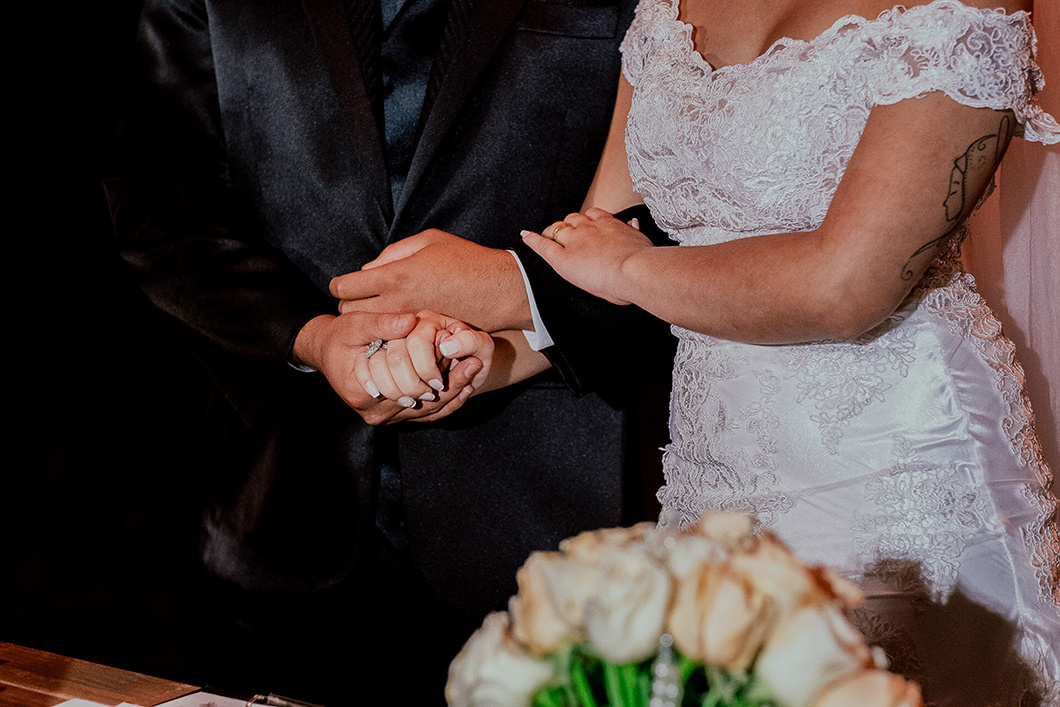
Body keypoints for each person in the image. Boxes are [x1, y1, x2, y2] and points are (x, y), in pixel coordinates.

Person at [366, 0, 1060, 703]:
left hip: (897, 469)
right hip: (712, 476)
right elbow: (601, 238)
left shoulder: (959, 5)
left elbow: (846, 287)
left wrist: (631, 271)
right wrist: (499, 350)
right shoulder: (667, 4)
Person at [102, 1, 675, 704]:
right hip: (279, 509)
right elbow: (157, 195)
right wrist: (308, 334)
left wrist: (517, 298)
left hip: (550, 532)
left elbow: (695, 217)